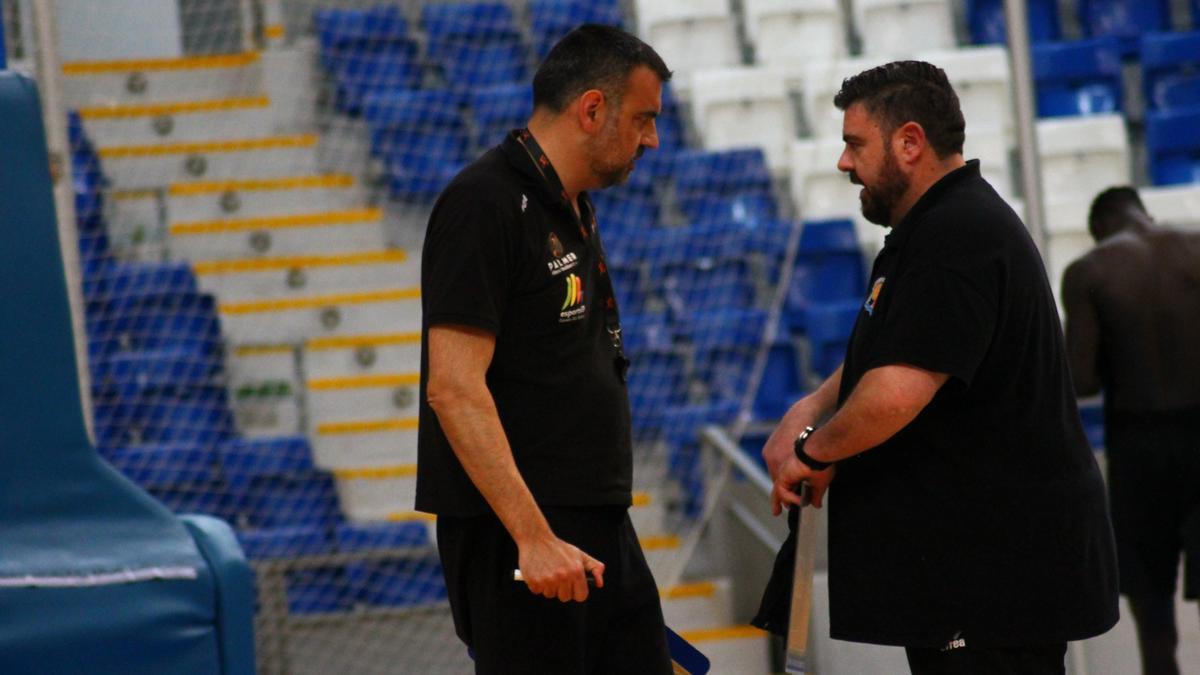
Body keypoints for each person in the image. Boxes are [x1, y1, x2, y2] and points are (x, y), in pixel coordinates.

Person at [751, 61, 1119, 674]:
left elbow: (895, 393)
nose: (844, 163)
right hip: (972, 581)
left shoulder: (957, 237)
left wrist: (816, 451)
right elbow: (900, 350)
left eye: (854, 144)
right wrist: (811, 407)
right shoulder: (934, 229)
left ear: (910, 142)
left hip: (991, 585)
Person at [415, 24, 674, 674]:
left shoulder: (571, 205)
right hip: (528, 532)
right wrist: (533, 537)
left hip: (596, 519)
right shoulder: (484, 204)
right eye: (643, 119)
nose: (653, 140)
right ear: (592, 108)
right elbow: (452, 387)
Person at [1061, 186, 1200, 675]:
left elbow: (1082, 380)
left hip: (1139, 446)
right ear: (1145, 212)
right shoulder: (1195, 244)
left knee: (1153, 608)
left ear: (1098, 228)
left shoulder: (1089, 270)